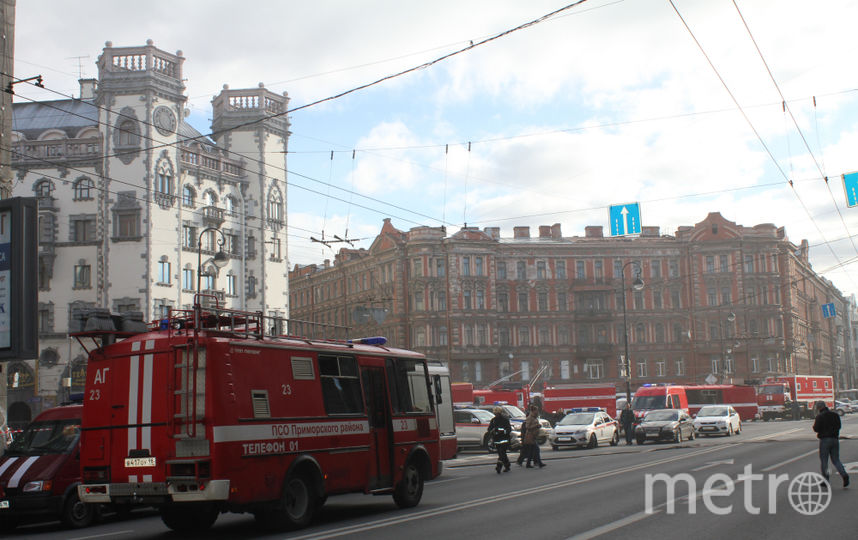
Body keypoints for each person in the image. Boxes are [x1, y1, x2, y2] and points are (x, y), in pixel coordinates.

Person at [812, 400, 849, 488]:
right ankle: (844, 475)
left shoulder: (820, 416)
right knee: (836, 460)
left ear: (819, 408)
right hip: (835, 439)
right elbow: (839, 426)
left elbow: (816, 428)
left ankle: (825, 480)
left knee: (824, 461)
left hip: (825, 440)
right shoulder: (835, 414)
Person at [487, 406, 512, 474]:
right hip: (497, 440)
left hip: (504, 440)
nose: (496, 415)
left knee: (501, 454)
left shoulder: (505, 420)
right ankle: (507, 465)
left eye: (497, 413)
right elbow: (489, 429)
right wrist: (492, 431)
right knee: (502, 454)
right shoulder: (493, 420)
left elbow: (509, 429)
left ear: (500, 413)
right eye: (495, 413)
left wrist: (502, 431)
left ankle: (499, 466)